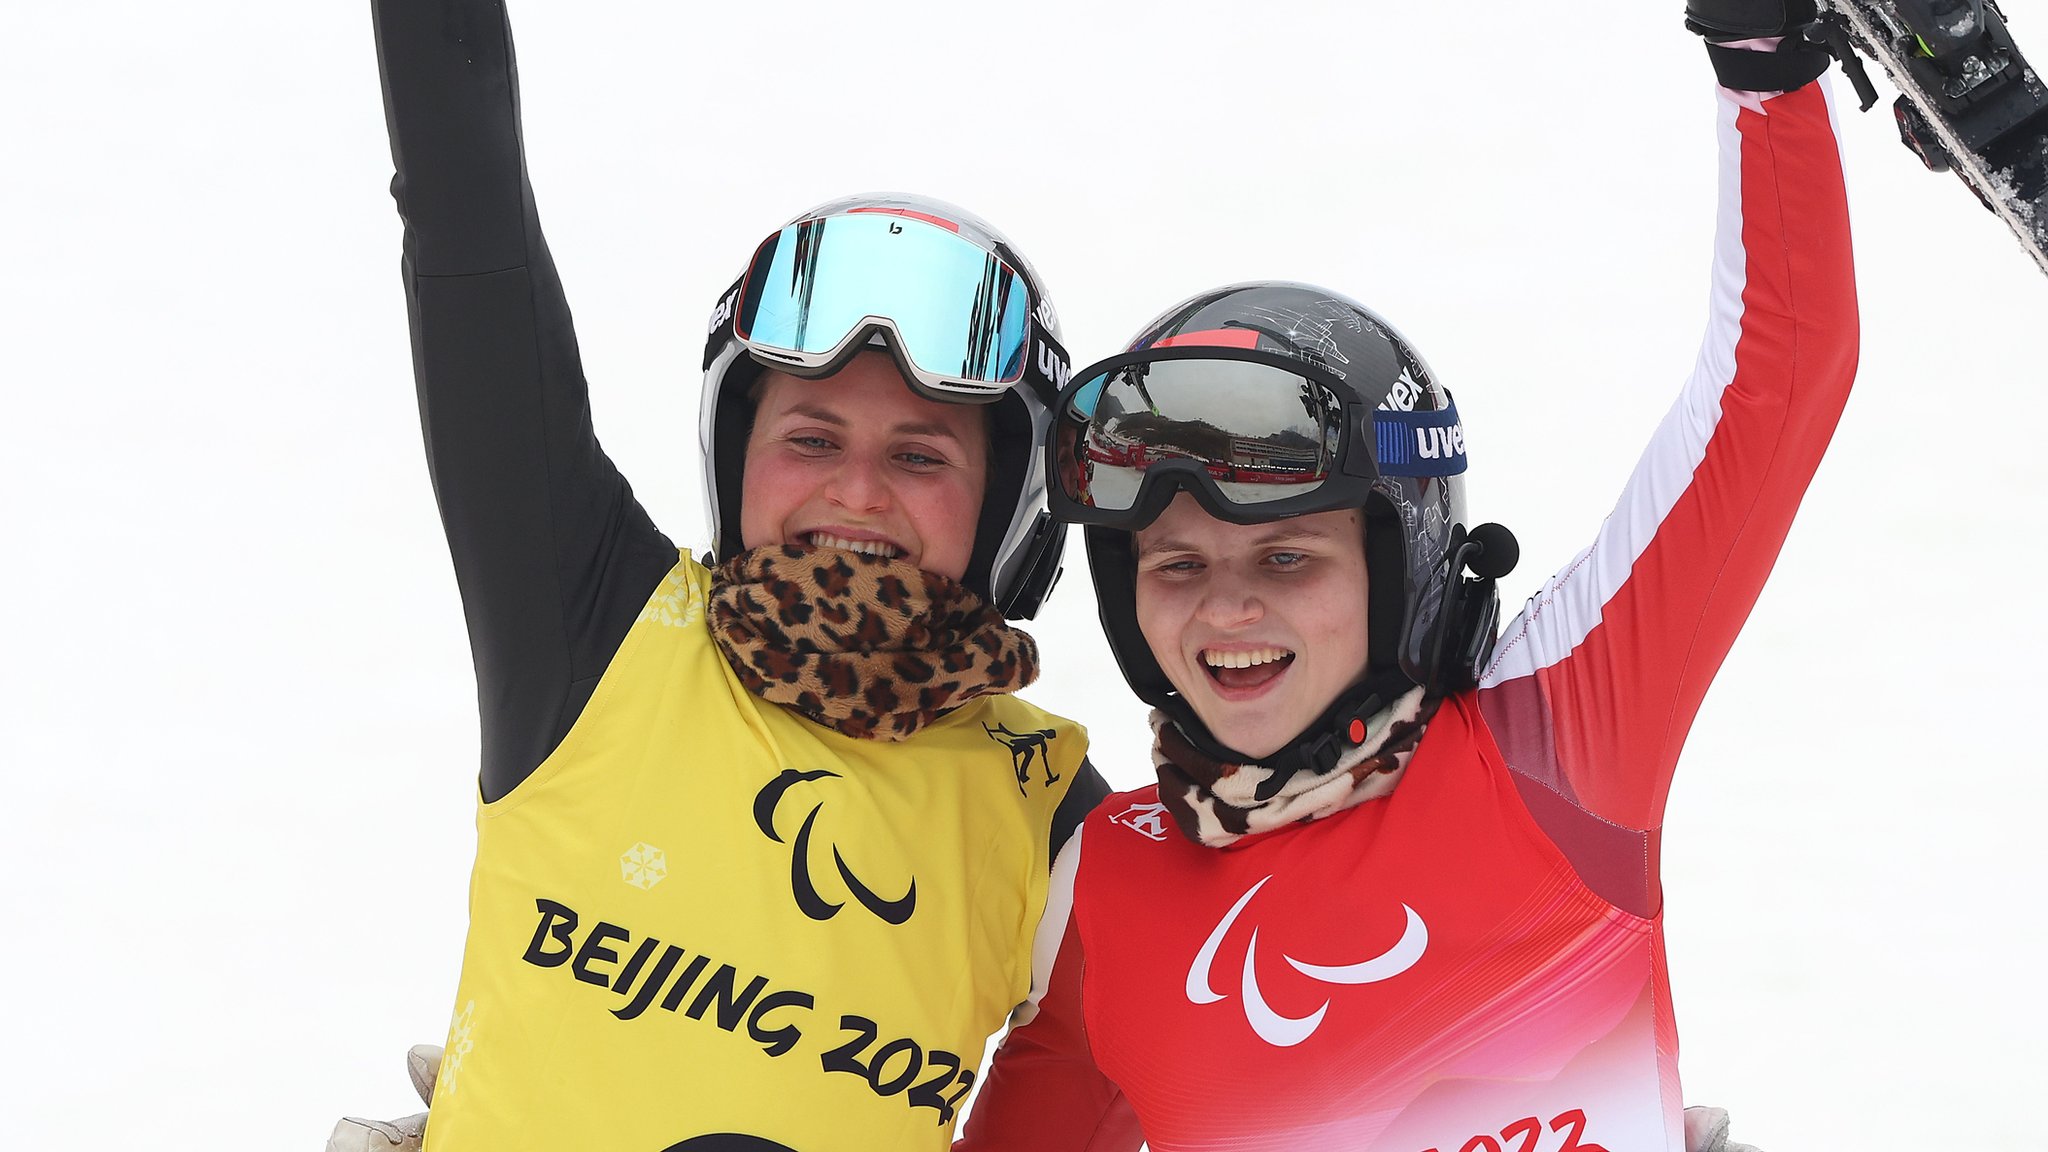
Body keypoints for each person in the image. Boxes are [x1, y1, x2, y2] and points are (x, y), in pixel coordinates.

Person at [958, 3, 1856, 1149]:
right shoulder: (1104, 882)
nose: (1226, 608)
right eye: (1175, 563)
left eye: (1287, 556)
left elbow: (1774, 389)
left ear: (1403, 563)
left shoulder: (1554, 744)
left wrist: (1760, 65)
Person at [335, 2, 1109, 1149]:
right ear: (732, 454)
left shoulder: (1053, 816)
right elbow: (467, 230)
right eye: (809, 438)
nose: (855, 491)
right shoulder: (595, 628)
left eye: (918, 454)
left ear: (1006, 506)